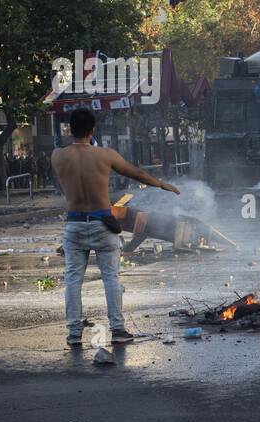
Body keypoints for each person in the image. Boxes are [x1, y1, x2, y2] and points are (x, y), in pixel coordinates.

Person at [52, 107, 179, 347]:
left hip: (74, 224)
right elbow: (137, 174)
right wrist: (162, 184)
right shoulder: (105, 155)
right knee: (111, 278)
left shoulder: (57, 155)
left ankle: (74, 333)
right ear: (92, 130)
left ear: (70, 129)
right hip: (102, 223)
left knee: (72, 280)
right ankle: (118, 330)